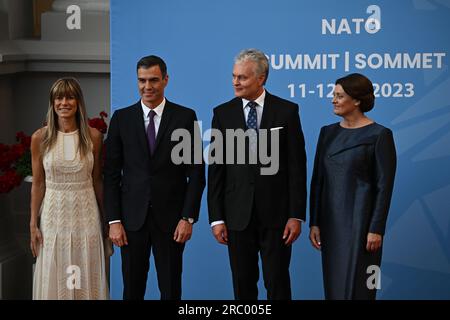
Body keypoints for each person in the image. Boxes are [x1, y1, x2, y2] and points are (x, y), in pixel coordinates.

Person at [207, 49, 307, 300]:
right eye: (234, 76)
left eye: (242, 77)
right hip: (237, 216)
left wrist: (296, 214)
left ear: (261, 78)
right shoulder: (222, 113)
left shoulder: (287, 111)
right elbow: (217, 169)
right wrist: (216, 218)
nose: (235, 82)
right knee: (242, 284)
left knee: (278, 282)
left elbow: (297, 167)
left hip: (277, 216)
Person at [104, 55, 205, 300]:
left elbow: (196, 173)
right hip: (131, 221)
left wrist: (187, 218)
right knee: (132, 289)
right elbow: (110, 174)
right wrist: (114, 221)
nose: (147, 86)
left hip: (171, 221)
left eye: (153, 80)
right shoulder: (122, 118)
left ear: (166, 80)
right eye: (141, 80)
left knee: (171, 289)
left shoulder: (184, 117)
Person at [309, 73, 397, 300]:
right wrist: (315, 222)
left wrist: (376, 229)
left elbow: (384, 186)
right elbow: (318, 181)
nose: (333, 100)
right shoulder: (327, 133)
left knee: (364, 288)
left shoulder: (380, 135)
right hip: (331, 225)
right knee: (335, 287)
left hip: (364, 227)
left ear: (356, 100)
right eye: (333, 95)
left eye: (339, 96)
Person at [30, 77, 110, 300]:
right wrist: (32, 224)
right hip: (53, 218)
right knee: (55, 274)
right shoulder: (40, 138)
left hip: (86, 217)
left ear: (78, 102)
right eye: (59, 97)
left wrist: (107, 219)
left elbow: (97, 181)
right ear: (52, 102)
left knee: (85, 275)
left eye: (70, 97)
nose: (64, 102)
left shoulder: (94, 137)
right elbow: (38, 183)